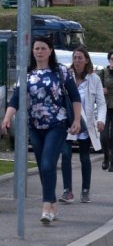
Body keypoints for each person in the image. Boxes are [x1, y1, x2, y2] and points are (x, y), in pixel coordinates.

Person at [1, 36, 82, 225]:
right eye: (36, 48)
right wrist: (6, 118)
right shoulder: (27, 74)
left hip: (57, 124)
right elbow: (16, 100)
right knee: (45, 167)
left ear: (50, 50)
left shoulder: (60, 71)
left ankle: (46, 206)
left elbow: (75, 96)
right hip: (35, 126)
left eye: (43, 48)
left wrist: (77, 119)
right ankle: (53, 203)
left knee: (46, 164)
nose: (39, 51)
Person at [59, 46, 107, 204]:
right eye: (75, 58)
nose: (77, 61)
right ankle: (67, 190)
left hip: (86, 124)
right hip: (69, 123)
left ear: (86, 60)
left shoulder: (94, 79)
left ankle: (85, 190)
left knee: (84, 158)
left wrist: (101, 119)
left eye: (80, 58)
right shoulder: (66, 76)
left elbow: (101, 103)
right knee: (65, 155)